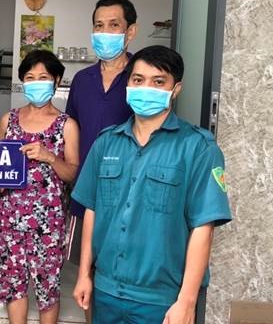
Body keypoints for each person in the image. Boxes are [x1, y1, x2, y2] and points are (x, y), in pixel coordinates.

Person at [71, 45, 232, 323]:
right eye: (138, 80)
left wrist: (187, 302)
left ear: (175, 89)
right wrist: (84, 274)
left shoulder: (198, 148)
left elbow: (203, 228)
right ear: (128, 84)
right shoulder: (106, 142)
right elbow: (92, 211)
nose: (146, 88)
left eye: (158, 82)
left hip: (162, 300)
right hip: (106, 291)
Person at [0, 49, 80, 324]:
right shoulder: (8, 120)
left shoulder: (67, 125)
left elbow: (72, 174)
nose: (36, 83)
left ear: (56, 80)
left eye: (43, 77)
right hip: (10, 217)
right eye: (30, 77)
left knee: (47, 287)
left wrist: (49, 156)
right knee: (13, 283)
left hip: (48, 221)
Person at [64, 0, 137, 317]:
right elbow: (70, 132)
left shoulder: (140, 78)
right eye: (99, 25)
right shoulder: (82, 80)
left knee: (122, 270)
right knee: (87, 276)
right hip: (86, 192)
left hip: (129, 193)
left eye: (113, 25)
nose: (104, 32)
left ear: (130, 31)